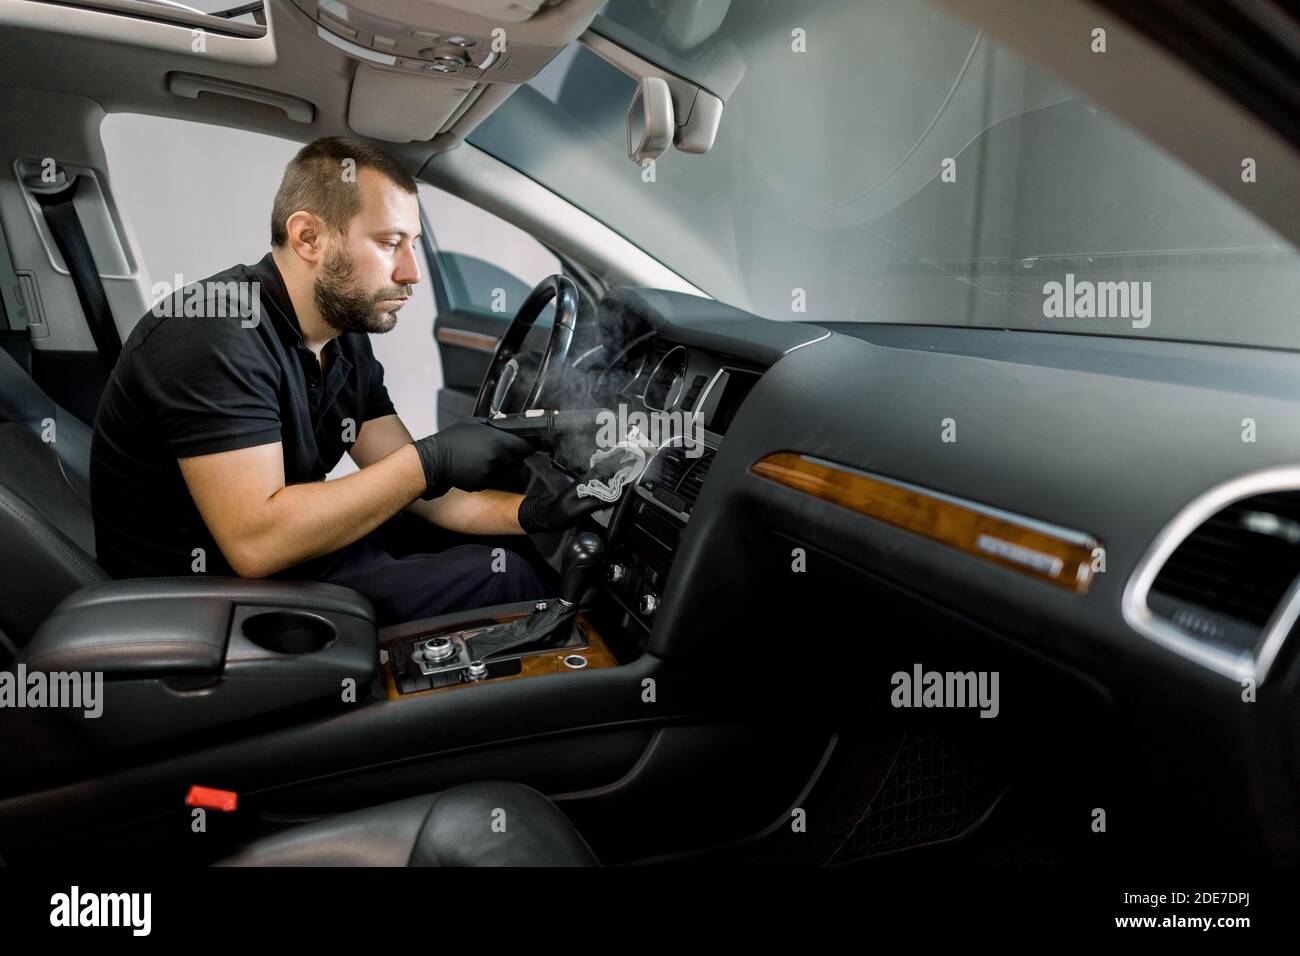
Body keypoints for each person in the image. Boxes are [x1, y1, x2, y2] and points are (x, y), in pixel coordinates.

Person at [90, 135, 602, 625]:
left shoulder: (343, 337)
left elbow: (422, 490)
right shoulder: (215, 334)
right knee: (504, 582)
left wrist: (537, 512)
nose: (411, 272)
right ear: (308, 237)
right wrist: (432, 460)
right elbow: (257, 543)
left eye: (414, 245)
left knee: (498, 547)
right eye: (388, 243)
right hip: (203, 602)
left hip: (285, 560)